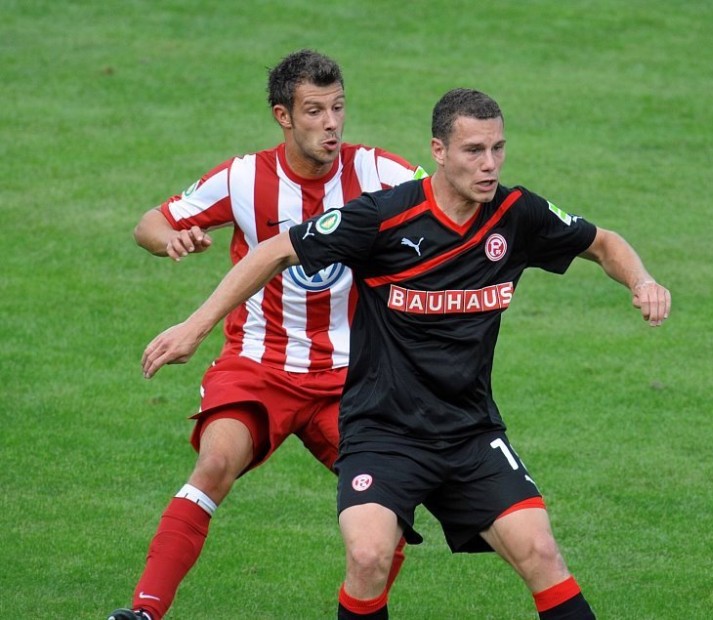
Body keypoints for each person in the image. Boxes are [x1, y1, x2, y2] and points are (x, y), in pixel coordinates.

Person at [141, 87, 671, 619]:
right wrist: (195, 326)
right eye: (473, 151)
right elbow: (278, 249)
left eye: (497, 149)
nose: (489, 166)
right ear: (438, 152)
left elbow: (603, 243)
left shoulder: (515, 214)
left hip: (469, 431)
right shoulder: (383, 217)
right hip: (383, 433)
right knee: (368, 555)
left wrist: (640, 280)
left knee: (541, 551)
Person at [108, 50, 425, 620]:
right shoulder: (244, 177)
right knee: (213, 466)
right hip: (260, 366)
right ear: (283, 116)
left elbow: (446, 200)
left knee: (390, 510)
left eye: (338, 108)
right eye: (314, 111)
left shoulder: (378, 172)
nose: (331, 123)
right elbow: (150, 223)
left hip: (352, 380)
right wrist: (171, 241)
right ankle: (143, 612)